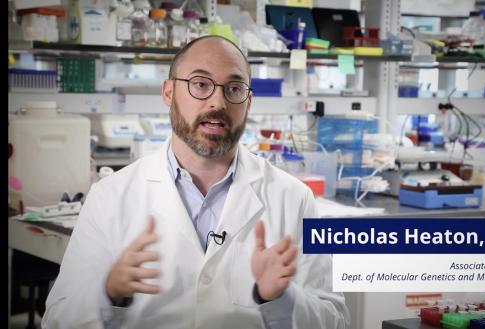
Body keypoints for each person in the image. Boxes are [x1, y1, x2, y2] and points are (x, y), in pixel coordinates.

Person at [42, 35, 350, 329]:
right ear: (168, 92)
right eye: (200, 84)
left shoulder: (294, 199)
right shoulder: (110, 196)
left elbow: (335, 320)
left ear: (249, 102)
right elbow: (57, 319)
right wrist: (108, 292)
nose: (217, 102)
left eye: (234, 88)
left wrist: (280, 298)